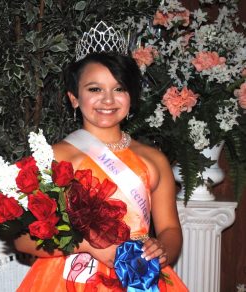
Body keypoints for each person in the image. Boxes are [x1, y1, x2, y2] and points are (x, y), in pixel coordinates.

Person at [14, 22, 188, 291]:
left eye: (119, 89)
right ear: (74, 98)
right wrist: (88, 244)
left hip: (140, 276)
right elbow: (23, 239)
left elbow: (170, 230)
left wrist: (162, 247)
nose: (108, 100)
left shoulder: (154, 159)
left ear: (131, 97)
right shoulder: (55, 156)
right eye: (95, 89)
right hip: (68, 279)